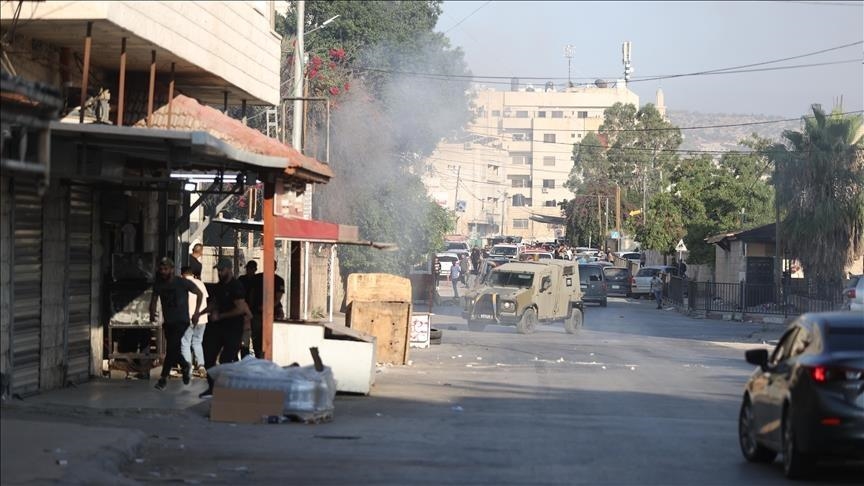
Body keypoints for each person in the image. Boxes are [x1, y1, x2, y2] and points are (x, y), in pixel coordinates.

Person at [198, 257, 250, 398]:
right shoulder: (218, 286)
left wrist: (221, 316)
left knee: (226, 360)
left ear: (229, 269)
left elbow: (240, 309)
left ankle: (227, 389)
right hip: (217, 328)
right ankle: (212, 387)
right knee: (208, 356)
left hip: (232, 328)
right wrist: (200, 313)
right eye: (218, 270)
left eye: (222, 270)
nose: (220, 273)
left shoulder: (236, 286)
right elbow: (214, 303)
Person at [149, 257, 203, 390]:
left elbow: (199, 293)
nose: (163, 272)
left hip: (181, 321)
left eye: (166, 269)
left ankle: (163, 379)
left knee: (171, 349)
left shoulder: (182, 282)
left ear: (172, 270)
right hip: (169, 322)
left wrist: (196, 313)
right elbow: (154, 299)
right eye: (161, 269)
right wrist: (151, 312)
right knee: (174, 349)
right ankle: (185, 365)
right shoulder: (159, 284)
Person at [247, 260, 286, 358]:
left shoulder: (279, 280)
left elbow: (278, 298)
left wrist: (267, 308)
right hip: (257, 312)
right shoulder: (257, 278)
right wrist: (252, 309)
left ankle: (266, 357)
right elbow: (251, 294)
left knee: (270, 337)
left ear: (275, 268)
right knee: (257, 338)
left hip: (272, 313)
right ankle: (259, 357)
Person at [179, 266, 208, 377]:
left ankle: (188, 369)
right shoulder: (200, 283)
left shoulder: (182, 284)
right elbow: (205, 298)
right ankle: (201, 365)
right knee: (197, 342)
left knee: (185, 342)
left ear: (182, 275)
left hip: (188, 318)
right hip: (202, 319)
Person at [238, 261, 258, 358]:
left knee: (251, 338)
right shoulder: (243, 279)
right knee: (244, 338)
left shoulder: (256, 280)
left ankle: (246, 357)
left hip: (251, 311)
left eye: (251, 269)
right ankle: (244, 357)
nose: (249, 271)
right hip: (246, 312)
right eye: (248, 269)